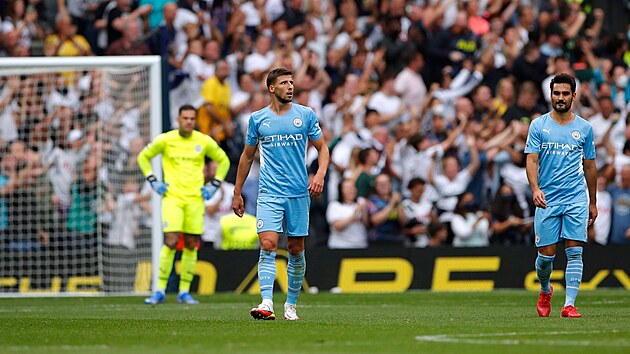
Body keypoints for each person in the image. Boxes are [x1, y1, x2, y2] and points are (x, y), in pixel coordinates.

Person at [232, 67, 329, 321]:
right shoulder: (258, 119)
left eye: (291, 82)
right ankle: (266, 303)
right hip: (269, 191)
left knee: (296, 248)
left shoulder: (306, 115)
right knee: (268, 244)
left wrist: (319, 175)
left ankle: (291, 305)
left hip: (298, 192)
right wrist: (237, 192)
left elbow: (323, 149)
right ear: (271, 88)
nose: (290, 86)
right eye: (284, 82)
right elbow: (246, 156)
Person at [138, 104, 230, 305]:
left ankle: (184, 292)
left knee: (191, 243)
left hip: (195, 200)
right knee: (170, 240)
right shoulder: (166, 139)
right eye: (185, 118)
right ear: (178, 119)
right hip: (172, 198)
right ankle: (160, 289)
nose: (189, 121)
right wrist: (153, 180)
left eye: (192, 118)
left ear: (195, 121)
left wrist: (214, 184)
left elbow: (224, 160)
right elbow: (143, 156)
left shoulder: (203, 141)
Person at [525, 73, 597, 319]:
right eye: (557, 93)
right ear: (550, 95)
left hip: (576, 197)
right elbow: (531, 160)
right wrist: (535, 189)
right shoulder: (538, 125)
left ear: (574, 96)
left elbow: (590, 166)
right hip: (547, 198)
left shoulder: (585, 128)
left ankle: (569, 305)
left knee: (575, 250)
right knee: (546, 256)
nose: (561, 98)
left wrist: (593, 202)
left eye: (565, 93)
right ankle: (545, 290)